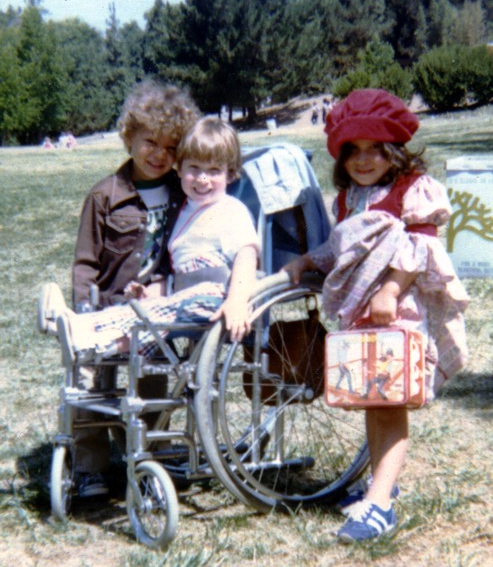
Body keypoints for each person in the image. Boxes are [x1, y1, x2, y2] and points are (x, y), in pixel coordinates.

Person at [283, 88, 468, 542]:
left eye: (374, 150)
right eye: (354, 152)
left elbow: (419, 248)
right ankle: (379, 483)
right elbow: (342, 248)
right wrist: (308, 261)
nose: (364, 161)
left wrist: (388, 288)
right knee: (373, 398)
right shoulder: (349, 200)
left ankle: (381, 505)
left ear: (394, 151)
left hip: (394, 309)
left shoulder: (410, 189)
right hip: (362, 313)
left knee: (389, 403)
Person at [39, 80, 200, 498]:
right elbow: (86, 261)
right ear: (130, 138)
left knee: (149, 388)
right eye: (150, 142)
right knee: (93, 386)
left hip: (154, 313)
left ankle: (143, 458)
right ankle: (91, 466)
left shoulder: (184, 192)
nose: (159, 154)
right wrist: (85, 311)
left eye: (170, 146)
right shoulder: (104, 196)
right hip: (106, 309)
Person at [57, 116, 259, 390]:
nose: (202, 179)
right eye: (194, 168)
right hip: (184, 297)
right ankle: (80, 328)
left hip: (215, 297)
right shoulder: (186, 208)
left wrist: (237, 300)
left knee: (149, 320)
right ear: (179, 169)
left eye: (214, 171)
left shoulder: (230, 210)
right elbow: (180, 273)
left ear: (231, 174)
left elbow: (247, 256)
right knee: (141, 309)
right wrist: (151, 289)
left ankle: (90, 341)